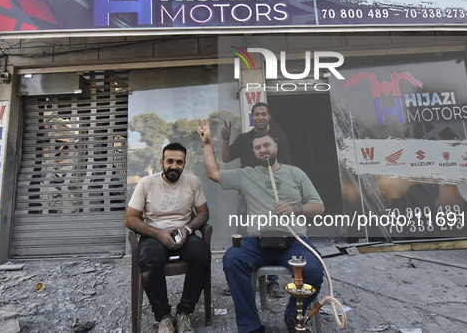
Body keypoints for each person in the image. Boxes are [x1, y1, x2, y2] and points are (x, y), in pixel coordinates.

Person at [198, 120, 325, 333]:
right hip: (257, 242)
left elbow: (319, 206)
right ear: (254, 152)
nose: (262, 150)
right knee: (232, 258)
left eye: (266, 145)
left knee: (314, 270)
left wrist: (295, 209)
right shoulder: (248, 174)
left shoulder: (296, 173)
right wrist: (208, 142)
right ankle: (251, 325)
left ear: (275, 147)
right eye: (258, 148)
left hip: (294, 241)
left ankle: (294, 315)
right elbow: (213, 173)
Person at [125, 142, 211, 333]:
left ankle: (185, 313)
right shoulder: (146, 183)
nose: (174, 166)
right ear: (162, 162)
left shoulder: (192, 181)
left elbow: (203, 213)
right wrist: (158, 234)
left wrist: (187, 230)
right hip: (153, 235)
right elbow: (130, 219)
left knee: (203, 255)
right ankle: (163, 316)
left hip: (183, 234)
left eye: (179, 162)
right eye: (170, 161)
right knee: (149, 260)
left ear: (184, 164)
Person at [221, 101, 291, 298]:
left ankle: (273, 282)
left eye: (264, 114)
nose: (260, 117)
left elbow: (286, 167)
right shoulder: (244, 139)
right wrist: (225, 139)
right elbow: (226, 158)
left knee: (272, 235)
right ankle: (243, 279)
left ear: (269, 117)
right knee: (243, 235)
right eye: (256, 114)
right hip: (247, 194)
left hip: (271, 194)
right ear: (252, 118)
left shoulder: (279, 139)